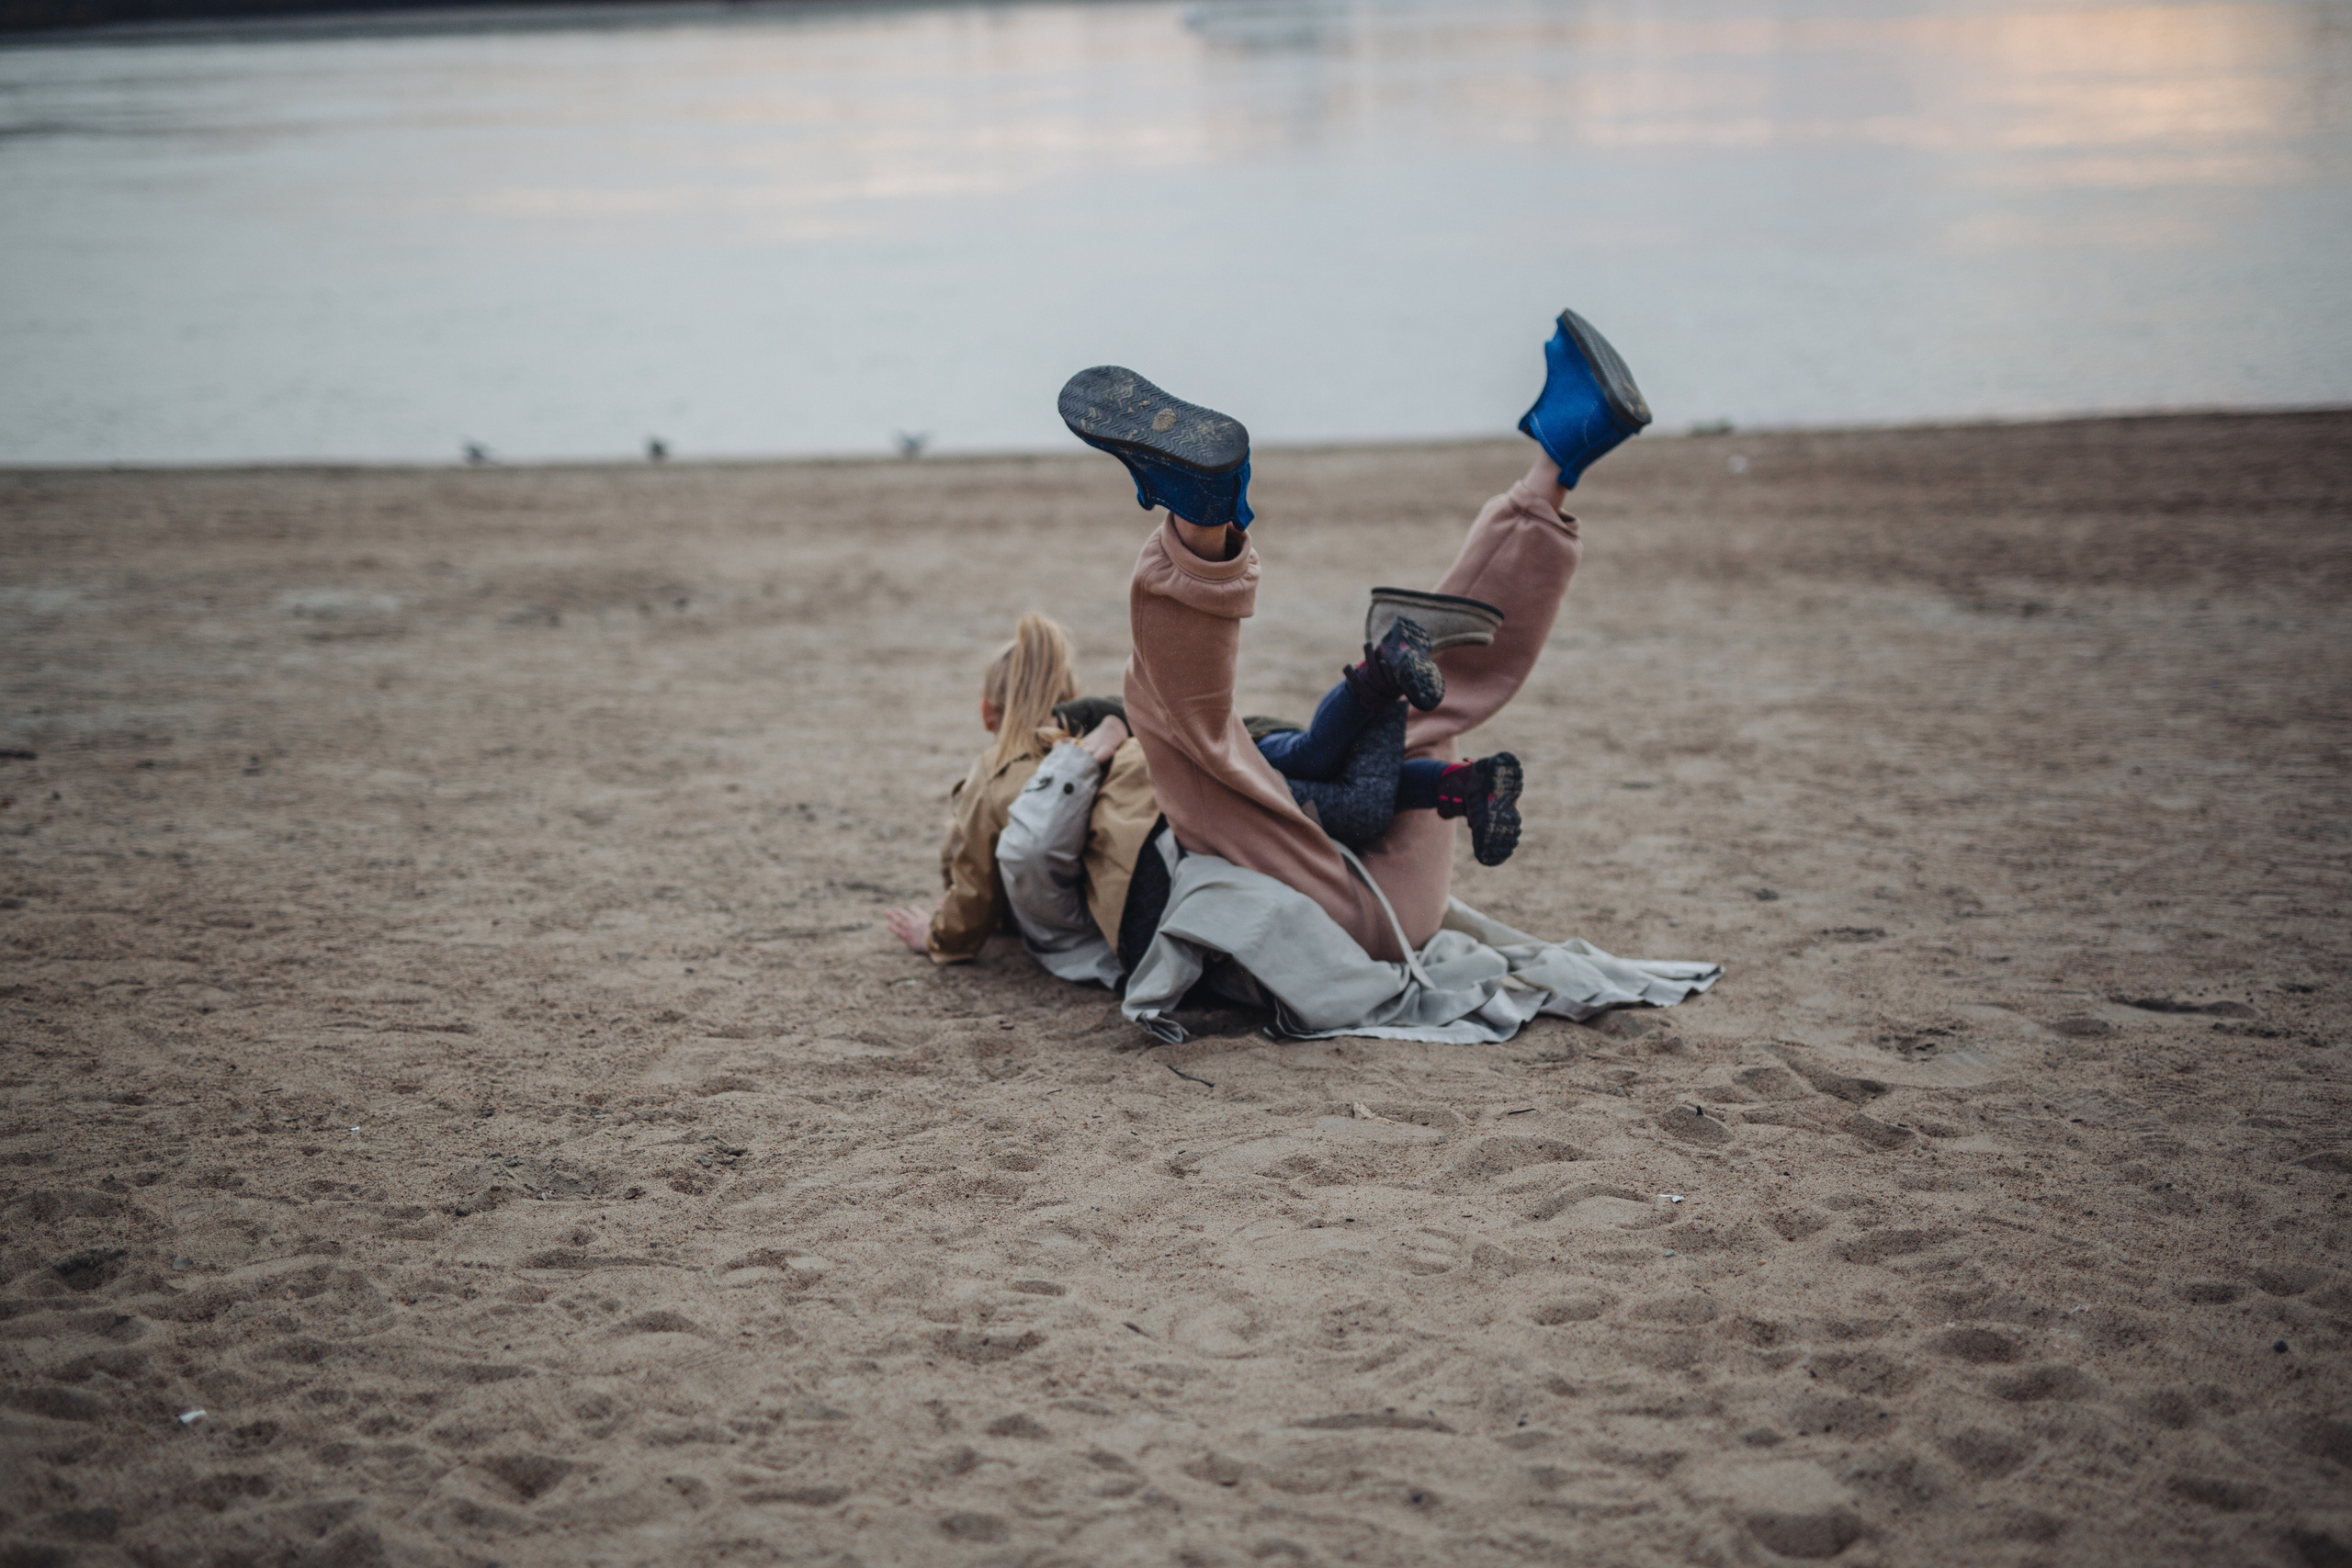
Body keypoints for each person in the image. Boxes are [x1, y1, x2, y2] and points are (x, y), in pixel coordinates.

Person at [1061, 307, 1653, 966]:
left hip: (1353, 916)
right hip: (1362, 903)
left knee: (1410, 714)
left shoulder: (1036, 767)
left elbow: (1029, 867)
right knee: (1190, 740)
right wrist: (1097, 740)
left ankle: (1560, 458)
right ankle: (1208, 522)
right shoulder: (1055, 758)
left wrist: (1076, 754)